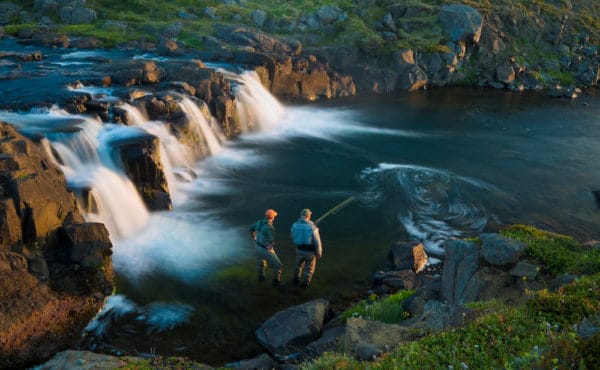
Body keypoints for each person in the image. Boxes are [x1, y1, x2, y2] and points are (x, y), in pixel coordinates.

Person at [249, 209, 283, 285]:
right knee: (278, 265)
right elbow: (271, 240)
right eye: (274, 216)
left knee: (261, 263)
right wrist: (271, 248)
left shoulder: (259, 222)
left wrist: (254, 237)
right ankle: (276, 281)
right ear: (272, 217)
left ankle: (261, 277)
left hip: (257, 246)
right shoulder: (270, 227)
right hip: (264, 249)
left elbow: (250, 229)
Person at [290, 208, 322, 288]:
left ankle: (296, 279)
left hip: (299, 249)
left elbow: (292, 237)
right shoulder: (312, 227)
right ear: (308, 216)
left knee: (298, 265)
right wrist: (319, 253)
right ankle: (305, 284)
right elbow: (317, 242)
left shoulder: (294, 225)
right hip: (309, 252)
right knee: (309, 268)